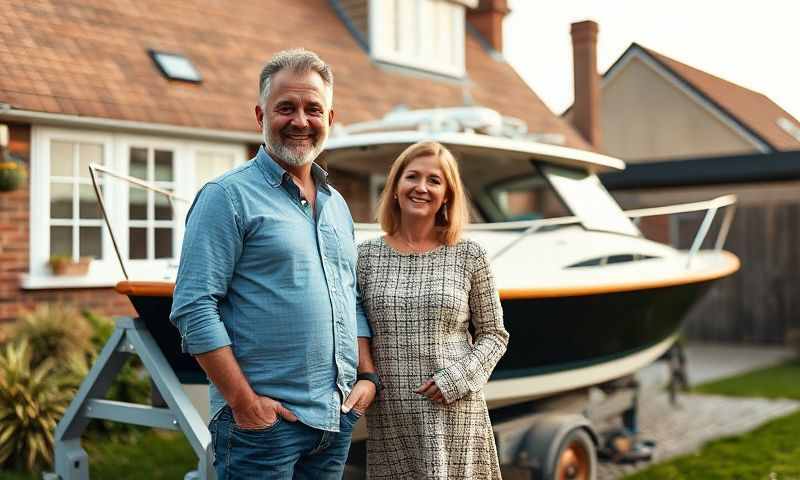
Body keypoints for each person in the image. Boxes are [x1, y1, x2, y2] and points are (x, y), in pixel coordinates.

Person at [170, 49, 378, 480]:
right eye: (286, 108)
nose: (300, 121)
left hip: (333, 420)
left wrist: (367, 376)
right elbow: (194, 306)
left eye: (312, 109)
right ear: (260, 115)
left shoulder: (338, 206)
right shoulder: (226, 196)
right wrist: (244, 403)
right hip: (263, 428)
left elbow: (350, 298)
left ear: (330, 117)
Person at [357, 141, 509, 479]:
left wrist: (458, 379)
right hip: (392, 414)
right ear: (395, 187)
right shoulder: (365, 257)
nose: (421, 187)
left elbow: (494, 335)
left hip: (455, 409)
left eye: (434, 180)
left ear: (447, 196)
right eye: (412, 176)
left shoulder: (470, 254)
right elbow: (354, 328)